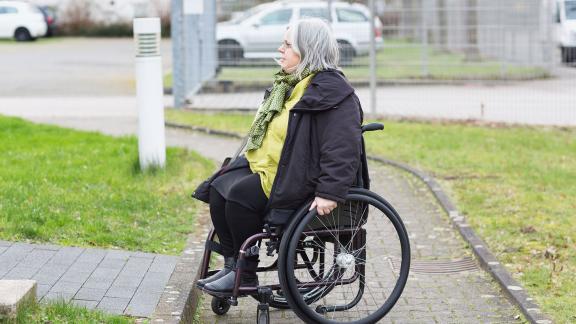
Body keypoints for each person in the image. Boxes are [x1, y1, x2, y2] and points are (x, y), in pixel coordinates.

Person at [196, 17, 363, 294]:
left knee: (240, 197)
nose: (280, 50)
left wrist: (330, 192)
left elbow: (343, 148)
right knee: (217, 187)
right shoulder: (291, 84)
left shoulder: (333, 92)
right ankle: (232, 266)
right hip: (270, 167)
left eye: (287, 45)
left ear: (307, 50)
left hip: (299, 176)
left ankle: (245, 275)